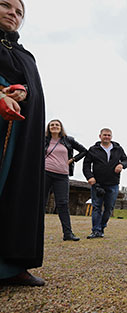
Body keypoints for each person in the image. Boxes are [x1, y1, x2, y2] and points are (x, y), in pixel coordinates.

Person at [0, 0, 46, 287]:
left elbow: (34, 92)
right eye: (5, 6)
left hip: (17, 133)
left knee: (17, 194)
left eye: (19, 12)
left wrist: (24, 92)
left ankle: (12, 265)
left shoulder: (25, 55)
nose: (12, 14)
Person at [82, 128, 127, 239]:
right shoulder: (93, 149)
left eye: (108, 135)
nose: (106, 137)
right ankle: (96, 230)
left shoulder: (118, 149)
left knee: (109, 208)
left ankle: (102, 227)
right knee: (96, 207)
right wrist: (90, 177)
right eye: (104, 135)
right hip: (97, 183)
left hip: (113, 183)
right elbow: (86, 165)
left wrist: (122, 165)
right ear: (100, 136)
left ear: (111, 137)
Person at [44, 119, 87, 241]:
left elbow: (84, 151)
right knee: (41, 202)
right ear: (49, 127)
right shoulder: (44, 139)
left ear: (61, 127)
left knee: (63, 203)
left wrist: (72, 160)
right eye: (52, 125)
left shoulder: (68, 140)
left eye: (57, 125)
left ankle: (68, 233)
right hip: (45, 173)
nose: (54, 127)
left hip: (62, 175)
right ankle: (35, 232)